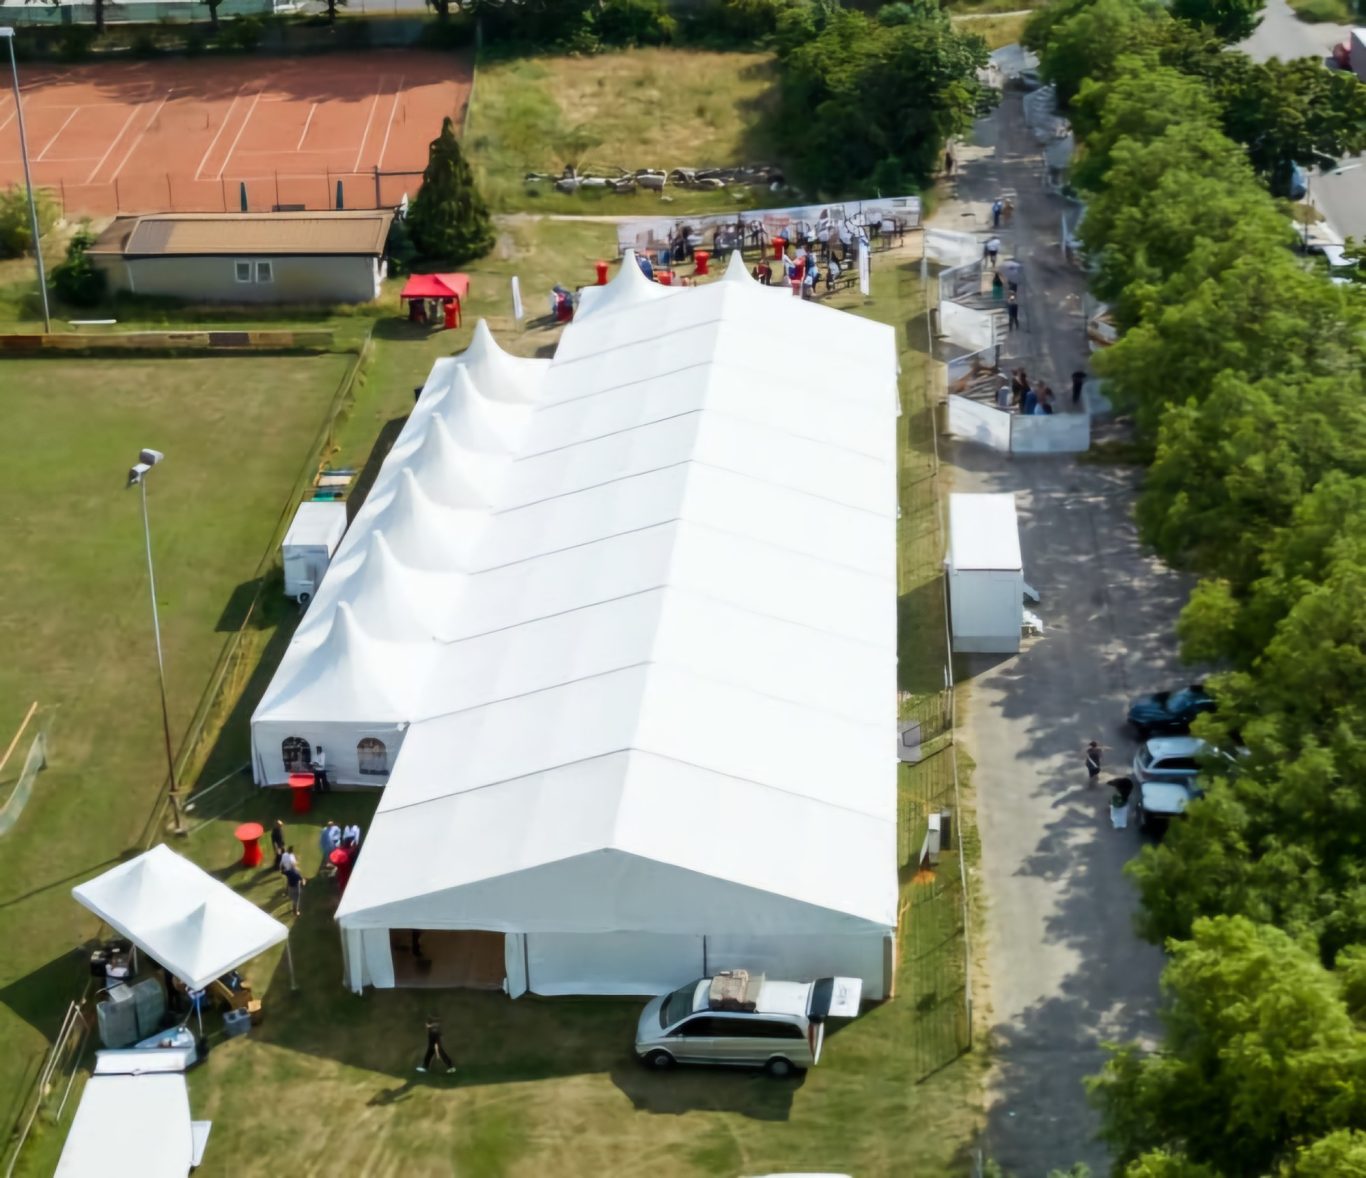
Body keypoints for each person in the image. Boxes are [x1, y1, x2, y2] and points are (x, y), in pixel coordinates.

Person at [281, 848, 304, 916]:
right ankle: (295, 912)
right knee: (296, 900)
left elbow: (283, 872)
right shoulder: (297, 872)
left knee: (293, 899)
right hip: (296, 887)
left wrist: (283, 866)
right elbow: (302, 881)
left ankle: (293, 908)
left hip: (290, 887)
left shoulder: (288, 871)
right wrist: (304, 881)